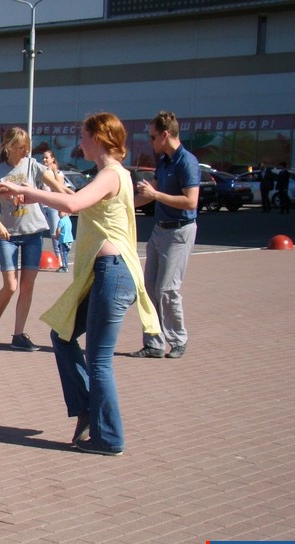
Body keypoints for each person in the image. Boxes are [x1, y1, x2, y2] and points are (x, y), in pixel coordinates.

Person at [0, 112, 160, 456]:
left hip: (113, 273)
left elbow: (71, 204)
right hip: (104, 274)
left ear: (98, 138)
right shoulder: (109, 175)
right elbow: (73, 198)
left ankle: (109, 438)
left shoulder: (112, 174)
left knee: (99, 360)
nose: (79, 142)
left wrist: (29, 191)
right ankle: (87, 410)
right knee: (62, 335)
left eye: (83, 136)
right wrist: (41, 189)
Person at [0, 127, 66, 351]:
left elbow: (58, 188)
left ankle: (18, 334)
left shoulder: (32, 166)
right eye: (20, 147)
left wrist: (69, 202)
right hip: (8, 234)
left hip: (33, 232)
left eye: (26, 146)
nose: (25, 150)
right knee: (10, 285)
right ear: (8, 147)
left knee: (27, 287)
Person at [131, 111, 200, 360]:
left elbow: (191, 201)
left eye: (152, 137)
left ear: (165, 134)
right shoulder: (165, 161)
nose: (150, 142)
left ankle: (178, 340)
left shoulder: (186, 161)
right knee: (149, 288)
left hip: (180, 231)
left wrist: (156, 196)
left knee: (167, 289)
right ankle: (154, 343)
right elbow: (150, 194)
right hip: (160, 229)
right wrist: (124, 204)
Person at [41, 149, 66, 259]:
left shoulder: (59, 173)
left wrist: (54, 171)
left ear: (53, 159)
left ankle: (60, 259)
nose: (44, 160)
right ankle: (37, 258)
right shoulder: (41, 171)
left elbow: (60, 187)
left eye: (46, 157)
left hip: (53, 206)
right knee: (38, 232)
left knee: (55, 234)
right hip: (41, 205)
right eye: (43, 157)